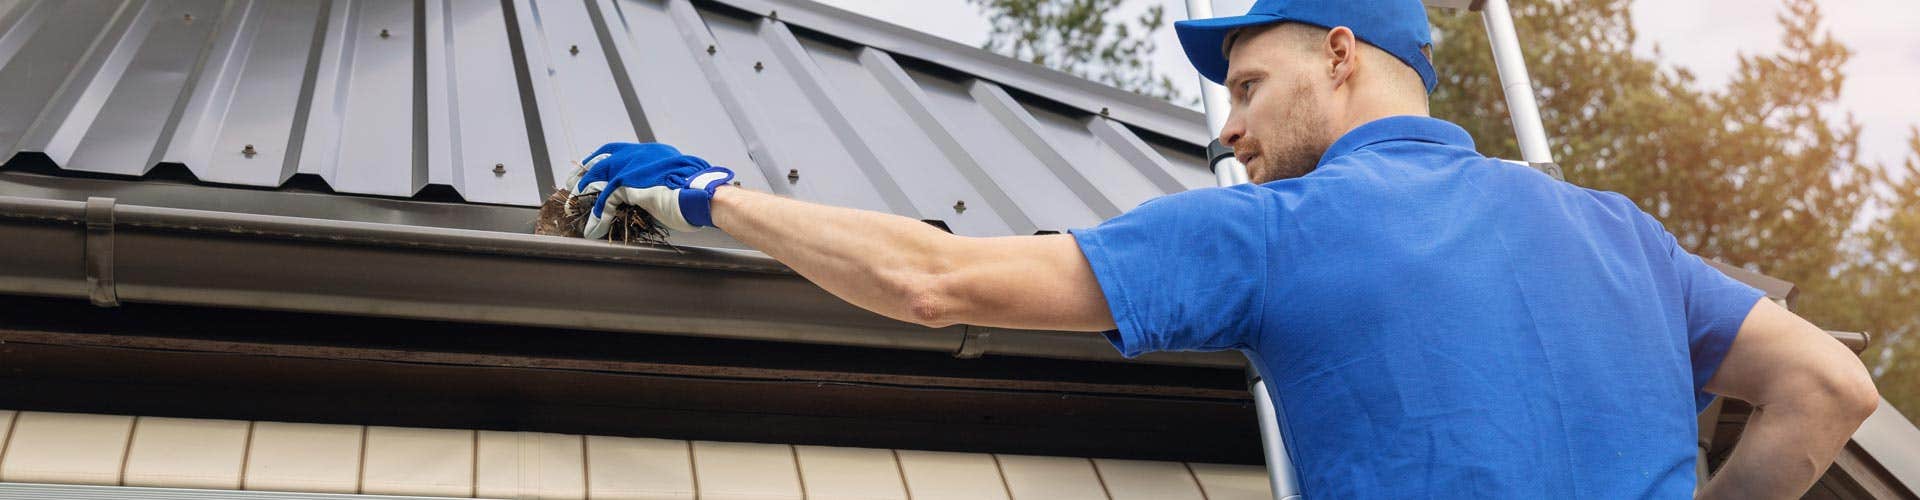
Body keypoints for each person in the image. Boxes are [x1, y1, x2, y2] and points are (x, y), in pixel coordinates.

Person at [562, 0, 1878, 496]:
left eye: (1246, 86)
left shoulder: (1283, 230)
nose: (1232, 132)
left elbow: (935, 279)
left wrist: (708, 197)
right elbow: (1830, 389)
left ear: (1344, 57)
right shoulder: (1617, 231)